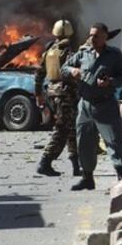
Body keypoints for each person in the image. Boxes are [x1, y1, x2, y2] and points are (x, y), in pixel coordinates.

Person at [61, 23, 122, 191]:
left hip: (105, 105)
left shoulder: (114, 55)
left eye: (96, 36)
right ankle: (87, 178)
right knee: (84, 142)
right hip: (85, 105)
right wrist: (72, 71)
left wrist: (110, 82)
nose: (92, 38)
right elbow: (63, 68)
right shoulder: (84, 53)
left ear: (105, 36)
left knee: (114, 143)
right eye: (91, 35)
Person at [34, 19, 80, 177]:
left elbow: (39, 74)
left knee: (72, 128)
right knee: (62, 129)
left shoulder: (49, 50)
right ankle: (45, 161)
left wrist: (38, 94)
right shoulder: (69, 51)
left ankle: (76, 164)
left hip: (53, 93)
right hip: (65, 94)